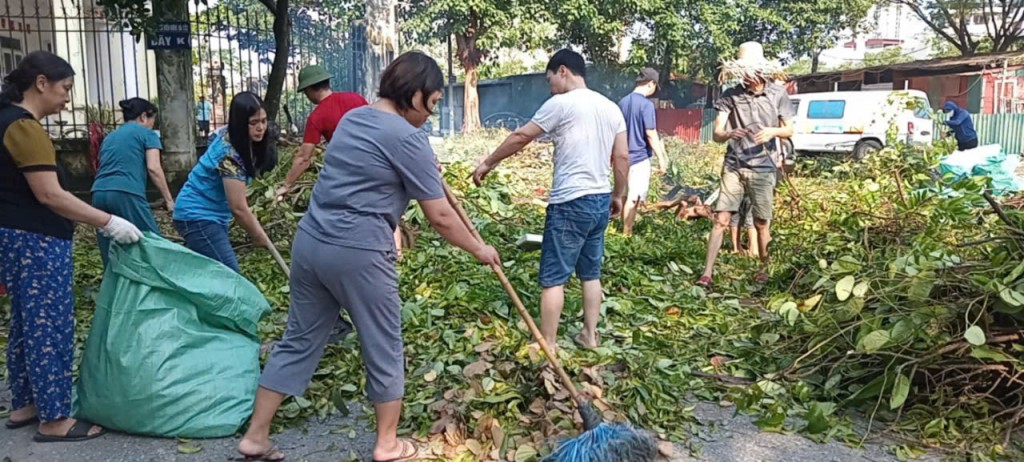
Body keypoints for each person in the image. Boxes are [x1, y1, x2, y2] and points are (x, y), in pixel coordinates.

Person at [238, 51, 499, 462]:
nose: (431, 114)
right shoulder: (407, 137)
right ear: (414, 95)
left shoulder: (354, 119)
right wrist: (480, 248)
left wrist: (424, 168)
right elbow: (441, 217)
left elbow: (369, 172)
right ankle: (388, 444)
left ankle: (256, 435)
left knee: (300, 338)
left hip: (311, 243)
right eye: (431, 104)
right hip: (357, 251)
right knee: (383, 343)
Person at [0, 51, 142, 443]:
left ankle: (26, 404)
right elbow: (50, 195)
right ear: (41, 83)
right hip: (36, 240)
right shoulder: (23, 127)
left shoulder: (5, 122)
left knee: (27, 323)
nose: (67, 98)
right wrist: (108, 221)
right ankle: (55, 419)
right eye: (64, 88)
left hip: (13, 237)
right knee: (50, 325)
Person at [472, 49, 628, 351]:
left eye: (550, 79)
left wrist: (488, 162)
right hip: (598, 200)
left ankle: (549, 343)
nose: (550, 86)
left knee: (554, 276)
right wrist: (618, 194)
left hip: (570, 201)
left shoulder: (561, 104)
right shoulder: (611, 108)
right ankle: (590, 336)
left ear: (563, 71)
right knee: (590, 272)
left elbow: (521, 137)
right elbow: (621, 156)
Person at [696, 41, 794, 287]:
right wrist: (729, 133)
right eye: (743, 72)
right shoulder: (731, 95)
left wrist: (772, 132)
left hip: (763, 167)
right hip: (734, 165)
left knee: (762, 222)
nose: (747, 77)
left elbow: (790, 129)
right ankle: (707, 273)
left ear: (761, 70)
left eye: (750, 71)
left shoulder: (778, 94)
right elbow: (717, 132)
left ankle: (764, 268)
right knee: (721, 219)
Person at [173, 92, 277, 272]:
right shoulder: (230, 155)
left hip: (214, 215)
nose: (260, 128)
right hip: (197, 216)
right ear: (239, 124)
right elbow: (238, 208)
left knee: (209, 273)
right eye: (253, 123)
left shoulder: (234, 138)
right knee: (229, 274)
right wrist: (258, 235)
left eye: (263, 121)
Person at [91, 97, 174, 266]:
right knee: (152, 243)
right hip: (126, 193)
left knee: (111, 250)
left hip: (98, 193)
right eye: (153, 121)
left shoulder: (110, 137)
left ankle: (116, 290)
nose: (152, 125)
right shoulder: (147, 134)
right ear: (144, 116)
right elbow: (154, 168)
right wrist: (169, 201)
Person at [618, 67, 668, 236]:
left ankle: (620, 228)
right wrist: (661, 157)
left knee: (623, 193)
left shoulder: (622, 102)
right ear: (651, 83)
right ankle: (627, 233)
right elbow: (651, 133)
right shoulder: (646, 106)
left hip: (622, 157)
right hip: (639, 158)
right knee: (634, 196)